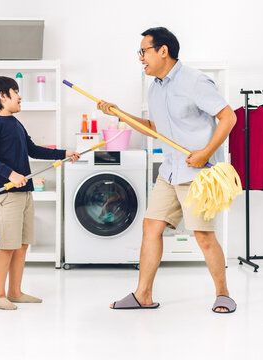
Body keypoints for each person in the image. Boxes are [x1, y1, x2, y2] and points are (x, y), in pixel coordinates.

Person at [97, 27, 238, 313]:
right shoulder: (155, 88)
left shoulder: (195, 81)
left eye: (143, 51)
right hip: (170, 170)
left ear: (163, 51)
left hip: (198, 173)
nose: (141, 58)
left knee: (203, 235)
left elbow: (228, 116)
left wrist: (205, 153)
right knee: (151, 226)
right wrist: (119, 114)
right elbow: (154, 130)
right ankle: (143, 295)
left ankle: (223, 294)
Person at [0, 76, 80, 310]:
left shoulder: (15, 123)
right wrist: (10, 174)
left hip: (24, 193)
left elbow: (33, 150)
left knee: (22, 245)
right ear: (2, 97)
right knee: (7, 246)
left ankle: (15, 292)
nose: (20, 96)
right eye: (15, 92)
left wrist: (65, 153)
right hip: (5, 194)